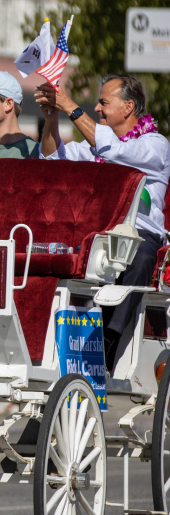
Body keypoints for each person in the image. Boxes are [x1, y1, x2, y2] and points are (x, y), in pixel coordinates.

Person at [34, 74, 170, 366]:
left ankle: (108, 342)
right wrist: (51, 119)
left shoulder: (155, 144)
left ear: (128, 107)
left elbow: (114, 151)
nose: (97, 108)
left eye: (104, 102)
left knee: (142, 255)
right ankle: (48, 341)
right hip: (96, 234)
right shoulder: (92, 147)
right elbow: (51, 158)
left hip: (138, 235)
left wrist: (70, 105)